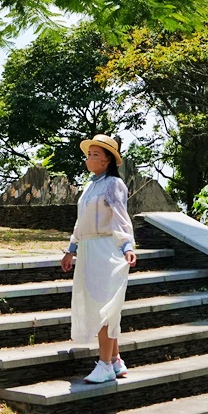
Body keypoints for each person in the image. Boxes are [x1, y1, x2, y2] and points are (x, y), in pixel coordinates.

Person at [60, 134, 138, 383]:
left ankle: (104, 364)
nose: (90, 159)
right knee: (98, 305)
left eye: (96, 155)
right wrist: (71, 248)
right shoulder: (90, 186)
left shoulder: (114, 184)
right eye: (89, 154)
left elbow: (120, 217)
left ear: (107, 161)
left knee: (106, 308)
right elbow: (81, 221)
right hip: (89, 250)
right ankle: (115, 360)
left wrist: (126, 245)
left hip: (107, 249)